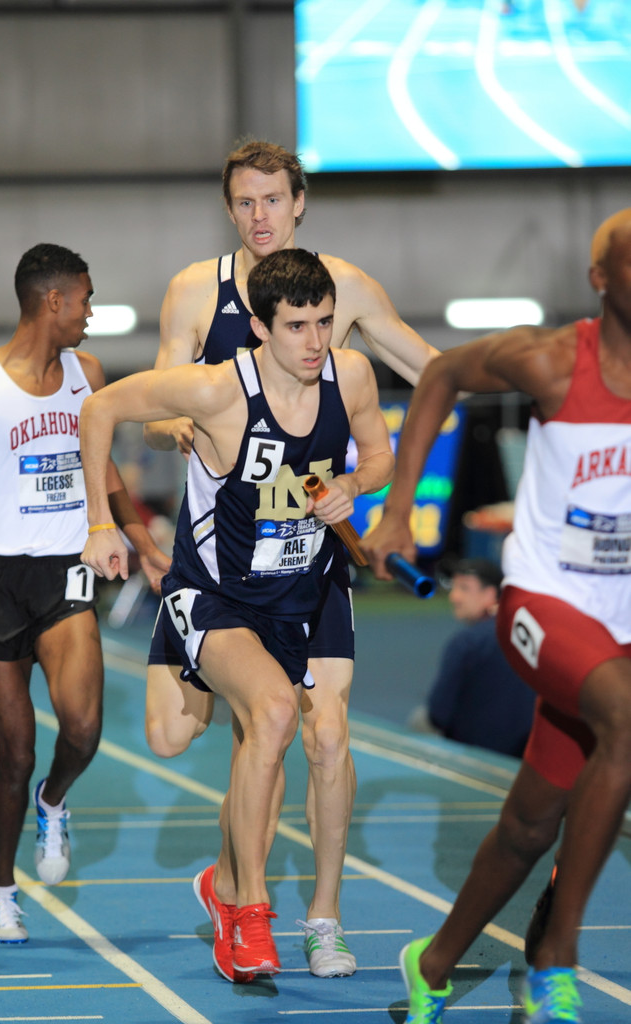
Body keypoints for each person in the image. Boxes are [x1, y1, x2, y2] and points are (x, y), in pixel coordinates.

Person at [142, 138, 438, 978]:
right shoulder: (195, 291)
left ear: (299, 200)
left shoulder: (339, 290)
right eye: (244, 202)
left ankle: (274, 911)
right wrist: (210, 421)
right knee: (175, 735)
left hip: (306, 555)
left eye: (273, 199)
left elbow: (431, 370)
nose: (259, 216)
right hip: (221, 550)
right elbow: (159, 405)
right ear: (229, 207)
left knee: (298, 729)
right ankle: (234, 886)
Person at [80, 248, 394, 979]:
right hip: (217, 596)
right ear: (258, 325)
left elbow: (376, 454)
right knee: (267, 713)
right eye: (296, 327)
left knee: (324, 737)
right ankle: (248, 911)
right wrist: (100, 523)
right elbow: (99, 407)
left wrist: (353, 482)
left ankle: (307, 914)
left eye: (323, 323)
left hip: (307, 588)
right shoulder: (217, 390)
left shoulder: (347, 375)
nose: (315, 342)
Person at [361, 206, 631, 1023]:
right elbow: (439, 372)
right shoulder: (551, 360)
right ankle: (556, 955)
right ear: (599, 279)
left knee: (529, 823)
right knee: (626, 716)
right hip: (541, 602)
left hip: (616, 624)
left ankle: (433, 962)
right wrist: (399, 509)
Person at [0, 243, 170, 945]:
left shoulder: (88, 374)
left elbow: (100, 469)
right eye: (85, 298)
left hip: (66, 573)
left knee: (81, 728)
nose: (91, 312)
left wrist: (138, 535)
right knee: (12, 751)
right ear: (52, 301)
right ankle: (2, 888)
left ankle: (55, 799)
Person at [411, 558, 535, 758]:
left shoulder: (466, 642)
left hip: (475, 754)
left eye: (464, 588)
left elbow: (438, 714)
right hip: (525, 752)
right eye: (454, 588)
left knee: (419, 719)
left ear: (490, 594)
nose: (454, 597)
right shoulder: (530, 633)